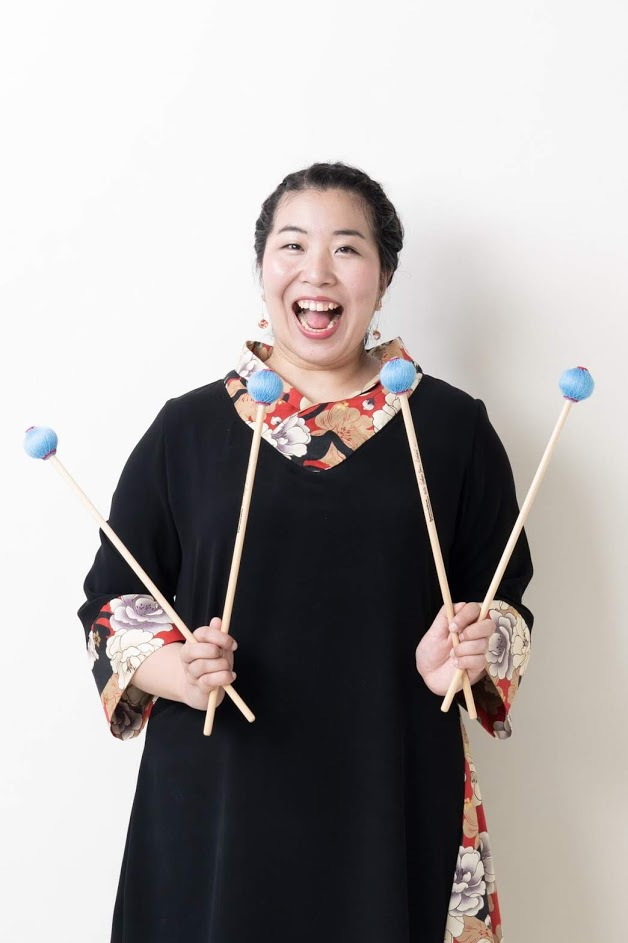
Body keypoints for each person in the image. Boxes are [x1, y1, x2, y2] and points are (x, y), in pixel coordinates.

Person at [78, 161, 533, 943]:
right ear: (263, 270)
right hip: (218, 797)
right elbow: (114, 601)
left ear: (384, 278)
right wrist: (177, 669)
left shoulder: (450, 428)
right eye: (292, 245)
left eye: (347, 248)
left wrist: (470, 649)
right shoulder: (186, 430)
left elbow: (505, 602)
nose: (317, 271)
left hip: (393, 788)